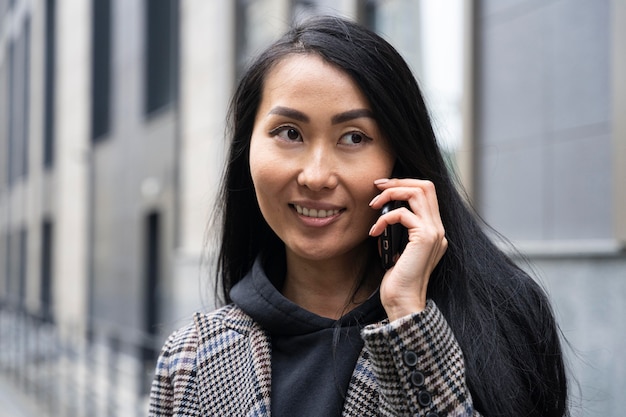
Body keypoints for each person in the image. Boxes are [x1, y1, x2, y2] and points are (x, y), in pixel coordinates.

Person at [149, 15, 568, 417]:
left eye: (354, 137)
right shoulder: (192, 358)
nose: (315, 176)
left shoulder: (497, 320)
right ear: (248, 149)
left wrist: (408, 318)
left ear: (398, 158)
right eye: (289, 133)